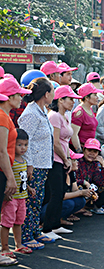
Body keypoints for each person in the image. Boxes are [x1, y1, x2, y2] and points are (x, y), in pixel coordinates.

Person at [18, 77, 56, 247]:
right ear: (46, 94)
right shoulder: (31, 113)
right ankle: (26, 236)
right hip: (34, 165)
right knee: (31, 201)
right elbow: (25, 143)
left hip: (43, 163)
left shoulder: (41, 111)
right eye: (52, 91)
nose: (54, 94)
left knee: (38, 200)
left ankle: (35, 231)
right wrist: (29, 165)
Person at [43, 85, 82, 239]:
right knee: (55, 193)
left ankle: (55, 225)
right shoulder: (54, 116)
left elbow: (64, 142)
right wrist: (65, 159)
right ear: (60, 99)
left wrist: (68, 159)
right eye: (70, 99)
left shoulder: (64, 116)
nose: (73, 102)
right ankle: (47, 228)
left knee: (59, 193)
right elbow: (55, 142)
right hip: (54, 159)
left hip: (62, 159)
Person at [0, 77, 28, 266]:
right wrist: (10, 178)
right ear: (9, 97)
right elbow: (2, 150)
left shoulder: (6, 116)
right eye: (18, 94)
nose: (21, 98)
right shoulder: (2, 116)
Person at [1, 129, 33, 259]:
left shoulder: (23, 161)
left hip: (22, 198)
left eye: (25, 145)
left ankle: (18, 244)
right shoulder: (10, 161)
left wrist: (29, 188)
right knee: (6, 223)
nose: (23, 148)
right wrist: (5, 193)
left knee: (19, 222)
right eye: (19, 145)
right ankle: (4, 247)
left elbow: (22, 180)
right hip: (11, 198)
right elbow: (6, 179)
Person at [40, 150, 91, 225]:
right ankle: (49, 223)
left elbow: (75, 190)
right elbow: (60, 196)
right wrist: (81, 192)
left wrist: (88, 194)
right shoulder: (57, 174)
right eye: (74, 160)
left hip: (57, 204)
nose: (77, 162)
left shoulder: (71, 173)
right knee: (69, 203)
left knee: (80, 200)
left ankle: (61, 218)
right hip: (46, 209)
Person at [75, 138, 104, 214]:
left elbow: (101, 182)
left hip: (88, 187)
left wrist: (103, 166)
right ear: (84, 150)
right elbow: (72, 179)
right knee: (80, 187)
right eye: (89, 150)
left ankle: (89, 207)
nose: (92, 153)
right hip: (77, 187)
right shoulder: (77, 161)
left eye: (95, 152)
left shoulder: (94, 164)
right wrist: (84, 182)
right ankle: (78, 209)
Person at [71, 83, 103, 153]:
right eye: (94, 95)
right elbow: (74, 134)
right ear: (87, 98)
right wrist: (79, 151)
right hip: (82, 149)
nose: (97, 98)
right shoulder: (79, 112)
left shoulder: (89, 108)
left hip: (89, 149)